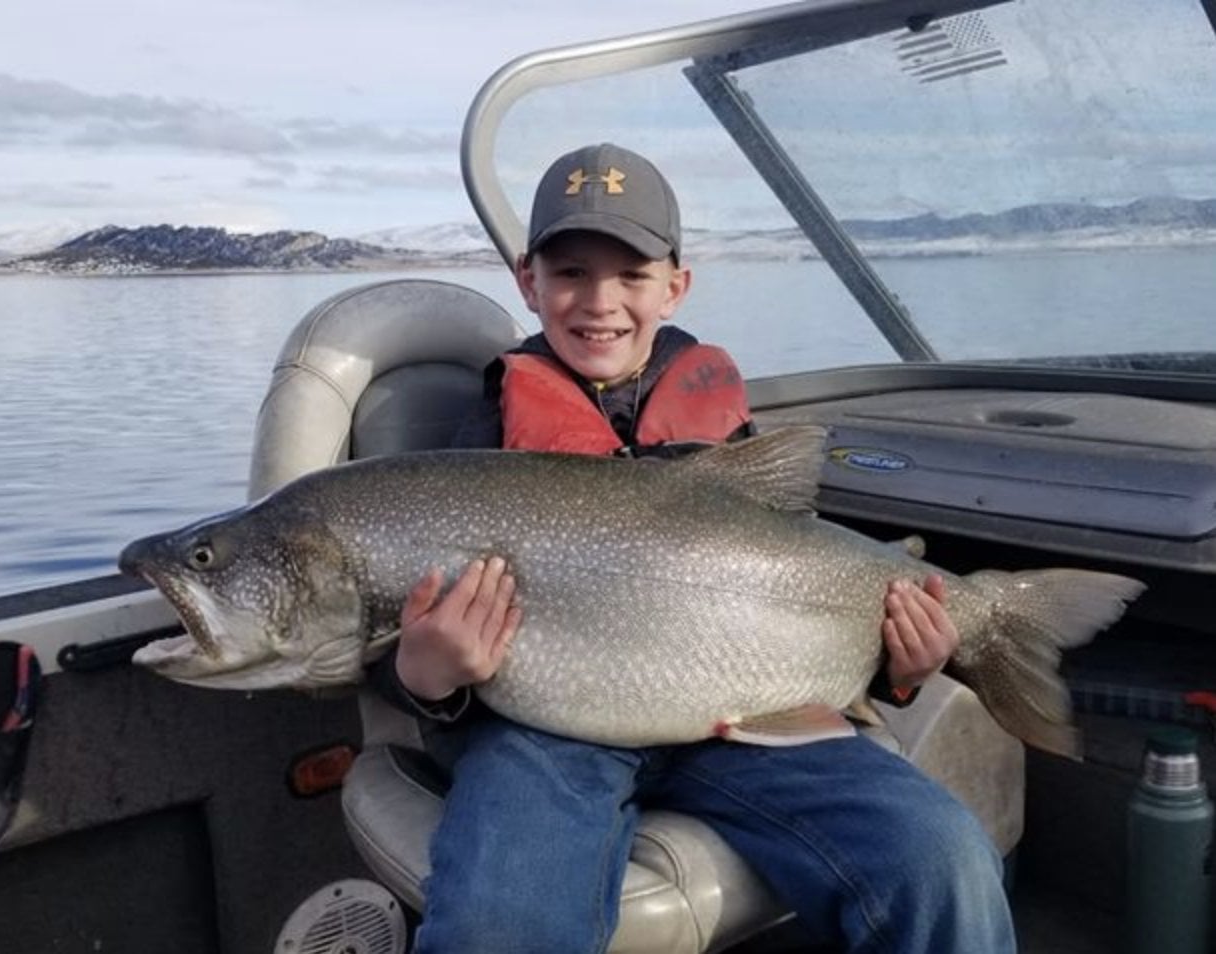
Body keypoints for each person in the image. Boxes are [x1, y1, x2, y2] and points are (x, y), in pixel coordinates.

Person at [371, 143, 1015, 953]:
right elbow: (382, 627)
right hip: (546, 735)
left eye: (632, 275)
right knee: (499, 927)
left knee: (940, 857)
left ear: (676, 286)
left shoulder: (729, 439)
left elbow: (802, 601)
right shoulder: (475, 456)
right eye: (570, 272)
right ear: (527, 281)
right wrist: (425, 680)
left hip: (744, 719)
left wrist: (901, 669)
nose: (599, 301)